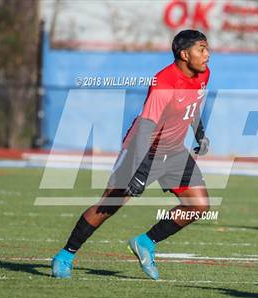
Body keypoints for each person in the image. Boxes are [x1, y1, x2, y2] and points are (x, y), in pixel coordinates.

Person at [52, 29, 211, 280]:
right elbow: (147, 128)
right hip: (142, 148)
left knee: (199, 205)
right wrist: (140, 172)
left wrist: (200, 134)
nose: (207, 54)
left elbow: (193, 107)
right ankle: (66, 254)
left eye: (207, 48)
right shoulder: (164, 83)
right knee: (110, 204)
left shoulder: (203, 74)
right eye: (201, 49)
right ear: (184, 54)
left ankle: (146, 242)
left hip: (174, 149)